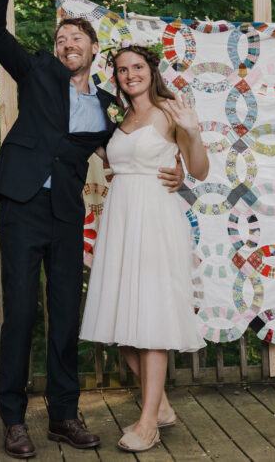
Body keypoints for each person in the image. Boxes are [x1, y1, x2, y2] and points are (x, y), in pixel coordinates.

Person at [0, 0, 184, 458]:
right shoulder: (36, 72)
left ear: (95, 52)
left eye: (78, 37)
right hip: (23, 204)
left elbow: (139, 141)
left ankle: (64, 416)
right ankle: (13, 419)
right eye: (61, 36)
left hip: (67, 215)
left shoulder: (107, 103)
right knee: (23, 312)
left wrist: (178, 167)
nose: (68, 41)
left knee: (66, 316)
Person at [79, 44, 210, 453]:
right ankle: (164, 406)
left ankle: (148, 422)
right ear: (115, 77)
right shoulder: (118, 121)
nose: (129, 74)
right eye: (121, 69)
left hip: (155, 222)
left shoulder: (171, 111)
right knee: (125, 327)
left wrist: (191, 131)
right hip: (120, 223)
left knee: (151, 322)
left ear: (151, 71)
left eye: (137, 67)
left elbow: (200, 170)